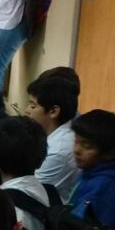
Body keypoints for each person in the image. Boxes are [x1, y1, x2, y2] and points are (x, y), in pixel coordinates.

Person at [25, 70, 81, 201]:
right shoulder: (45, 132)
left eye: (33, 106)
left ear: (53, 111)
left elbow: (28, 190)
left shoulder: (59, 150)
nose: (27, 110)